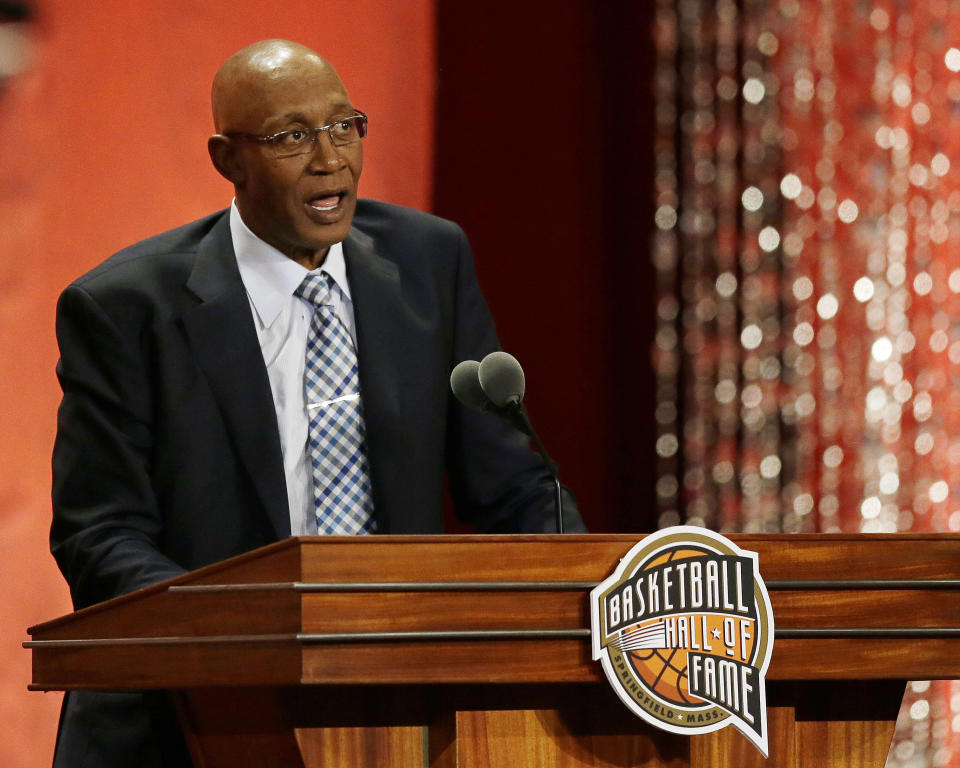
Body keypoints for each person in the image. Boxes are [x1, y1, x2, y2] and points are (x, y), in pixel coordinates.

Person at [49, 39, 584, 767]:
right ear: (227, 160)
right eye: (292, 137)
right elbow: (100, 533)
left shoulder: (429, 261)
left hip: (398, 706)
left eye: (344, 126)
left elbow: (513, 486)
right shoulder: (124, 307)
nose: (330, 158)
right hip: (187, 721)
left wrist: (585, 601)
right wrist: (240, 639)